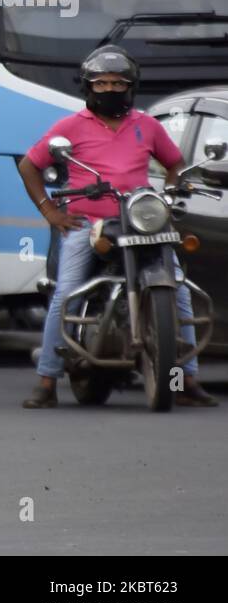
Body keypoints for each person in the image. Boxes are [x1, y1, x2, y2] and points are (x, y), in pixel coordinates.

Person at [17, 45, 217, 408]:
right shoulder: (70, 127)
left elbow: (175, 164)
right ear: (88, 87)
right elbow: (29, 166)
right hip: (88, 224)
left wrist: (172, 190)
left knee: (181, 290)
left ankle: (185, 379)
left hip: (141, 222)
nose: (110, 89)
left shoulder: (147, 126)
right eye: (102, 82)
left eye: (118, 82)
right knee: (67, 293)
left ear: (131, 86)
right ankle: (47, 381)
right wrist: (50, 211)